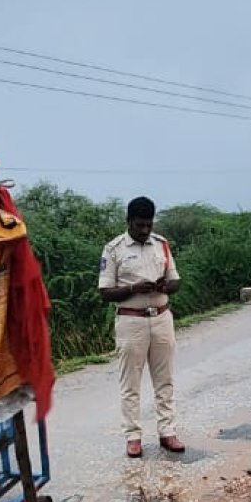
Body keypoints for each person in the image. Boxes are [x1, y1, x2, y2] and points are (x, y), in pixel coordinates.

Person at [99, 196, 184, 458]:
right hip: (130, 320)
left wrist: (164, 286)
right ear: (129, 222)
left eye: (148, 225)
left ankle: (167, 431)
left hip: (161, 317)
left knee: (165, 379)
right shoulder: (113, 249)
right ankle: (133, 436)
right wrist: (133, 289)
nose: (145, 230)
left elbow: (176, 281)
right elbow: (105, 292)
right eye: (139, 226)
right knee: (130, 383)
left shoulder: (162, 245)